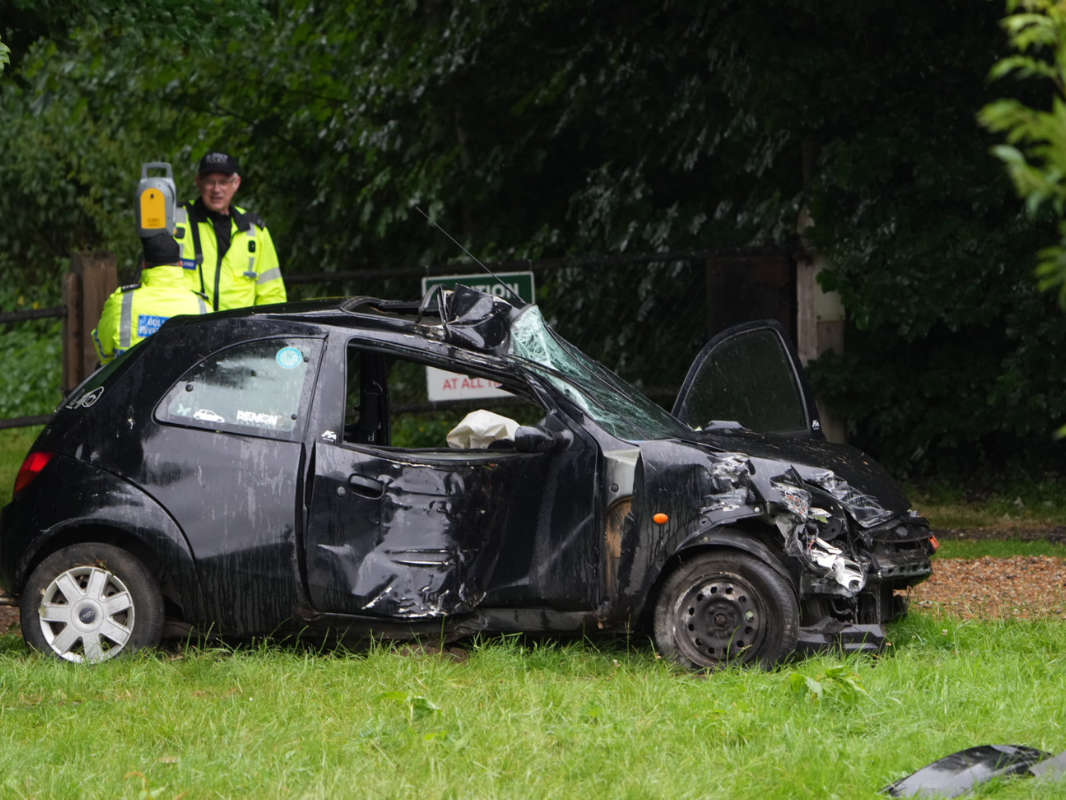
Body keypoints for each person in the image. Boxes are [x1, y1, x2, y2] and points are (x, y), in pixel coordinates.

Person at [173, 151, 286, 311]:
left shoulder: (254, 230)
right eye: (210, 182)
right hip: (189, 327)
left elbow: (272, 294)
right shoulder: (175, 220)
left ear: (236, 183)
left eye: (223, 182)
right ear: (198, 182)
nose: (216, 189)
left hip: (239, 332)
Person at [92, 234, 209, 365]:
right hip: (184, 385)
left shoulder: (122, 302)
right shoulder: (202, 306)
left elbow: (103, 349)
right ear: (180, 264)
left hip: (131, 383)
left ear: (144, 265)